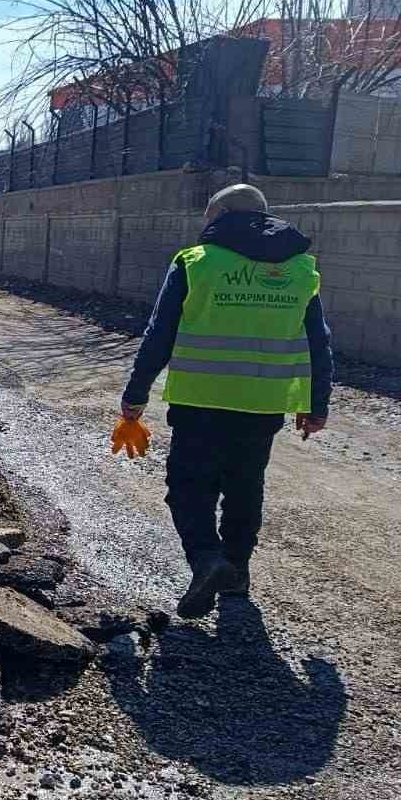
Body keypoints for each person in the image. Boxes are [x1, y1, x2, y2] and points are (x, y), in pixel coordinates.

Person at [120, 183, 333, 620]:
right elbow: (318, 342)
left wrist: (136, 394)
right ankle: (236, 573)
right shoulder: (299, 269)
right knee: (244, 487)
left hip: (201, 401)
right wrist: (317, 405)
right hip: (263, 405)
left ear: (216, 216)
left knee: (189, 488)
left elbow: (160, 334)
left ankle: (207, 560)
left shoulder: (197, 262)